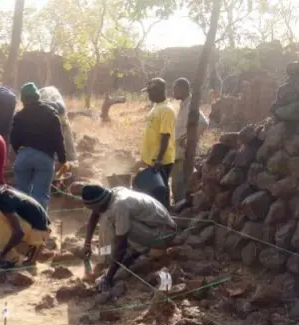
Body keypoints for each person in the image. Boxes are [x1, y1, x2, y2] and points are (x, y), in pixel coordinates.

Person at [80, 184, 177, 292]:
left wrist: (109, 278)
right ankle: (106, 260)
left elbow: (121, 244)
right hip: (152, 227)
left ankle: (146, 251)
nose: (93, 211)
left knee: (116, 225)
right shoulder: (112, 193)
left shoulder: (120, 205)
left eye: (92, 208)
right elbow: (95, 215)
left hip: (164, 234)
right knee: (110, 221)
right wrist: (87, 244)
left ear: (98, 203)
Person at [10, 82, 67, 209]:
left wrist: (20, 153)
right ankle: (39, 226)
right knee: (40, 195)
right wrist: (63, 159)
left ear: (23, 99)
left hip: (23, 157)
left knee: (21, 195)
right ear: (37, 97)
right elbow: (58, 138)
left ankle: (21, 225)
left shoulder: (19, 115)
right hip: (44, 157)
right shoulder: (51, 113)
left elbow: (13, 139)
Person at [0, 183, 50, 268]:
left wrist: (2, 254)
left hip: (39, 233)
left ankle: (10, 258)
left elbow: (19, 232)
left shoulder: (4, 202)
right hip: (35, 228)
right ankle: (4, 251)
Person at [140, 78, 176, 208]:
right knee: (153, 190)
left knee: (160, 190)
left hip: (161, 159)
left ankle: (165, 217)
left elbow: (165, 136)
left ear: (159, 91)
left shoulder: (167, 110)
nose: (148, 95)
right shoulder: (157, 107)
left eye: (150, 92)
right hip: (152, 158)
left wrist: (159, 159)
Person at [172, 77, 209, 205]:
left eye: (175, 89)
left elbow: (203, 123)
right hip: (177, 152)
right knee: (177, 185)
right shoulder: (183, 105)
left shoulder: (190, 106)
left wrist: (188, 139)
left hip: (184, 153)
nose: (173, 92)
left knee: (179, 186)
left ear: (182, 89)